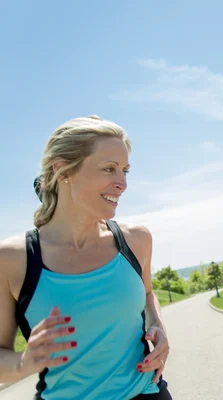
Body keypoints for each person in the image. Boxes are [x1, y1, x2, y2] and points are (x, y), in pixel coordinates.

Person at [0, 115, 171, 399]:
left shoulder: (136, 240)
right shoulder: (12, 259)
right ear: (62, 170)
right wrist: (23, 363)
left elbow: (148, 294)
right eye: (109, 169)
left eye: (125, 170)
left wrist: (159, 327)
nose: (122, 183)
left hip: (146, 393)